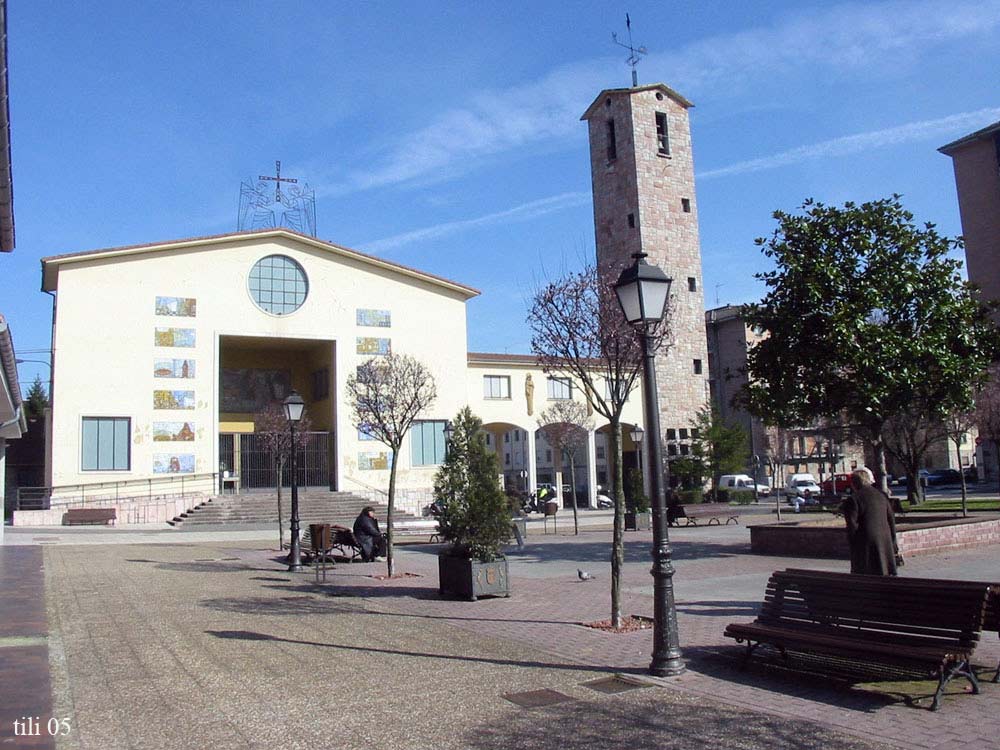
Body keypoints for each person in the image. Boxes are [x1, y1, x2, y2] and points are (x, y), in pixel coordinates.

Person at [842, 467, 899, 575]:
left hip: (865, 544)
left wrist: (853, 544)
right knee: (884, 572)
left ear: (854, 483)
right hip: (885, 542)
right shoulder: (882, 495)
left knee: (865, 575)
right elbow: (891, 520)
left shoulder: (853, 499)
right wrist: (892, 541)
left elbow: (852, 526)